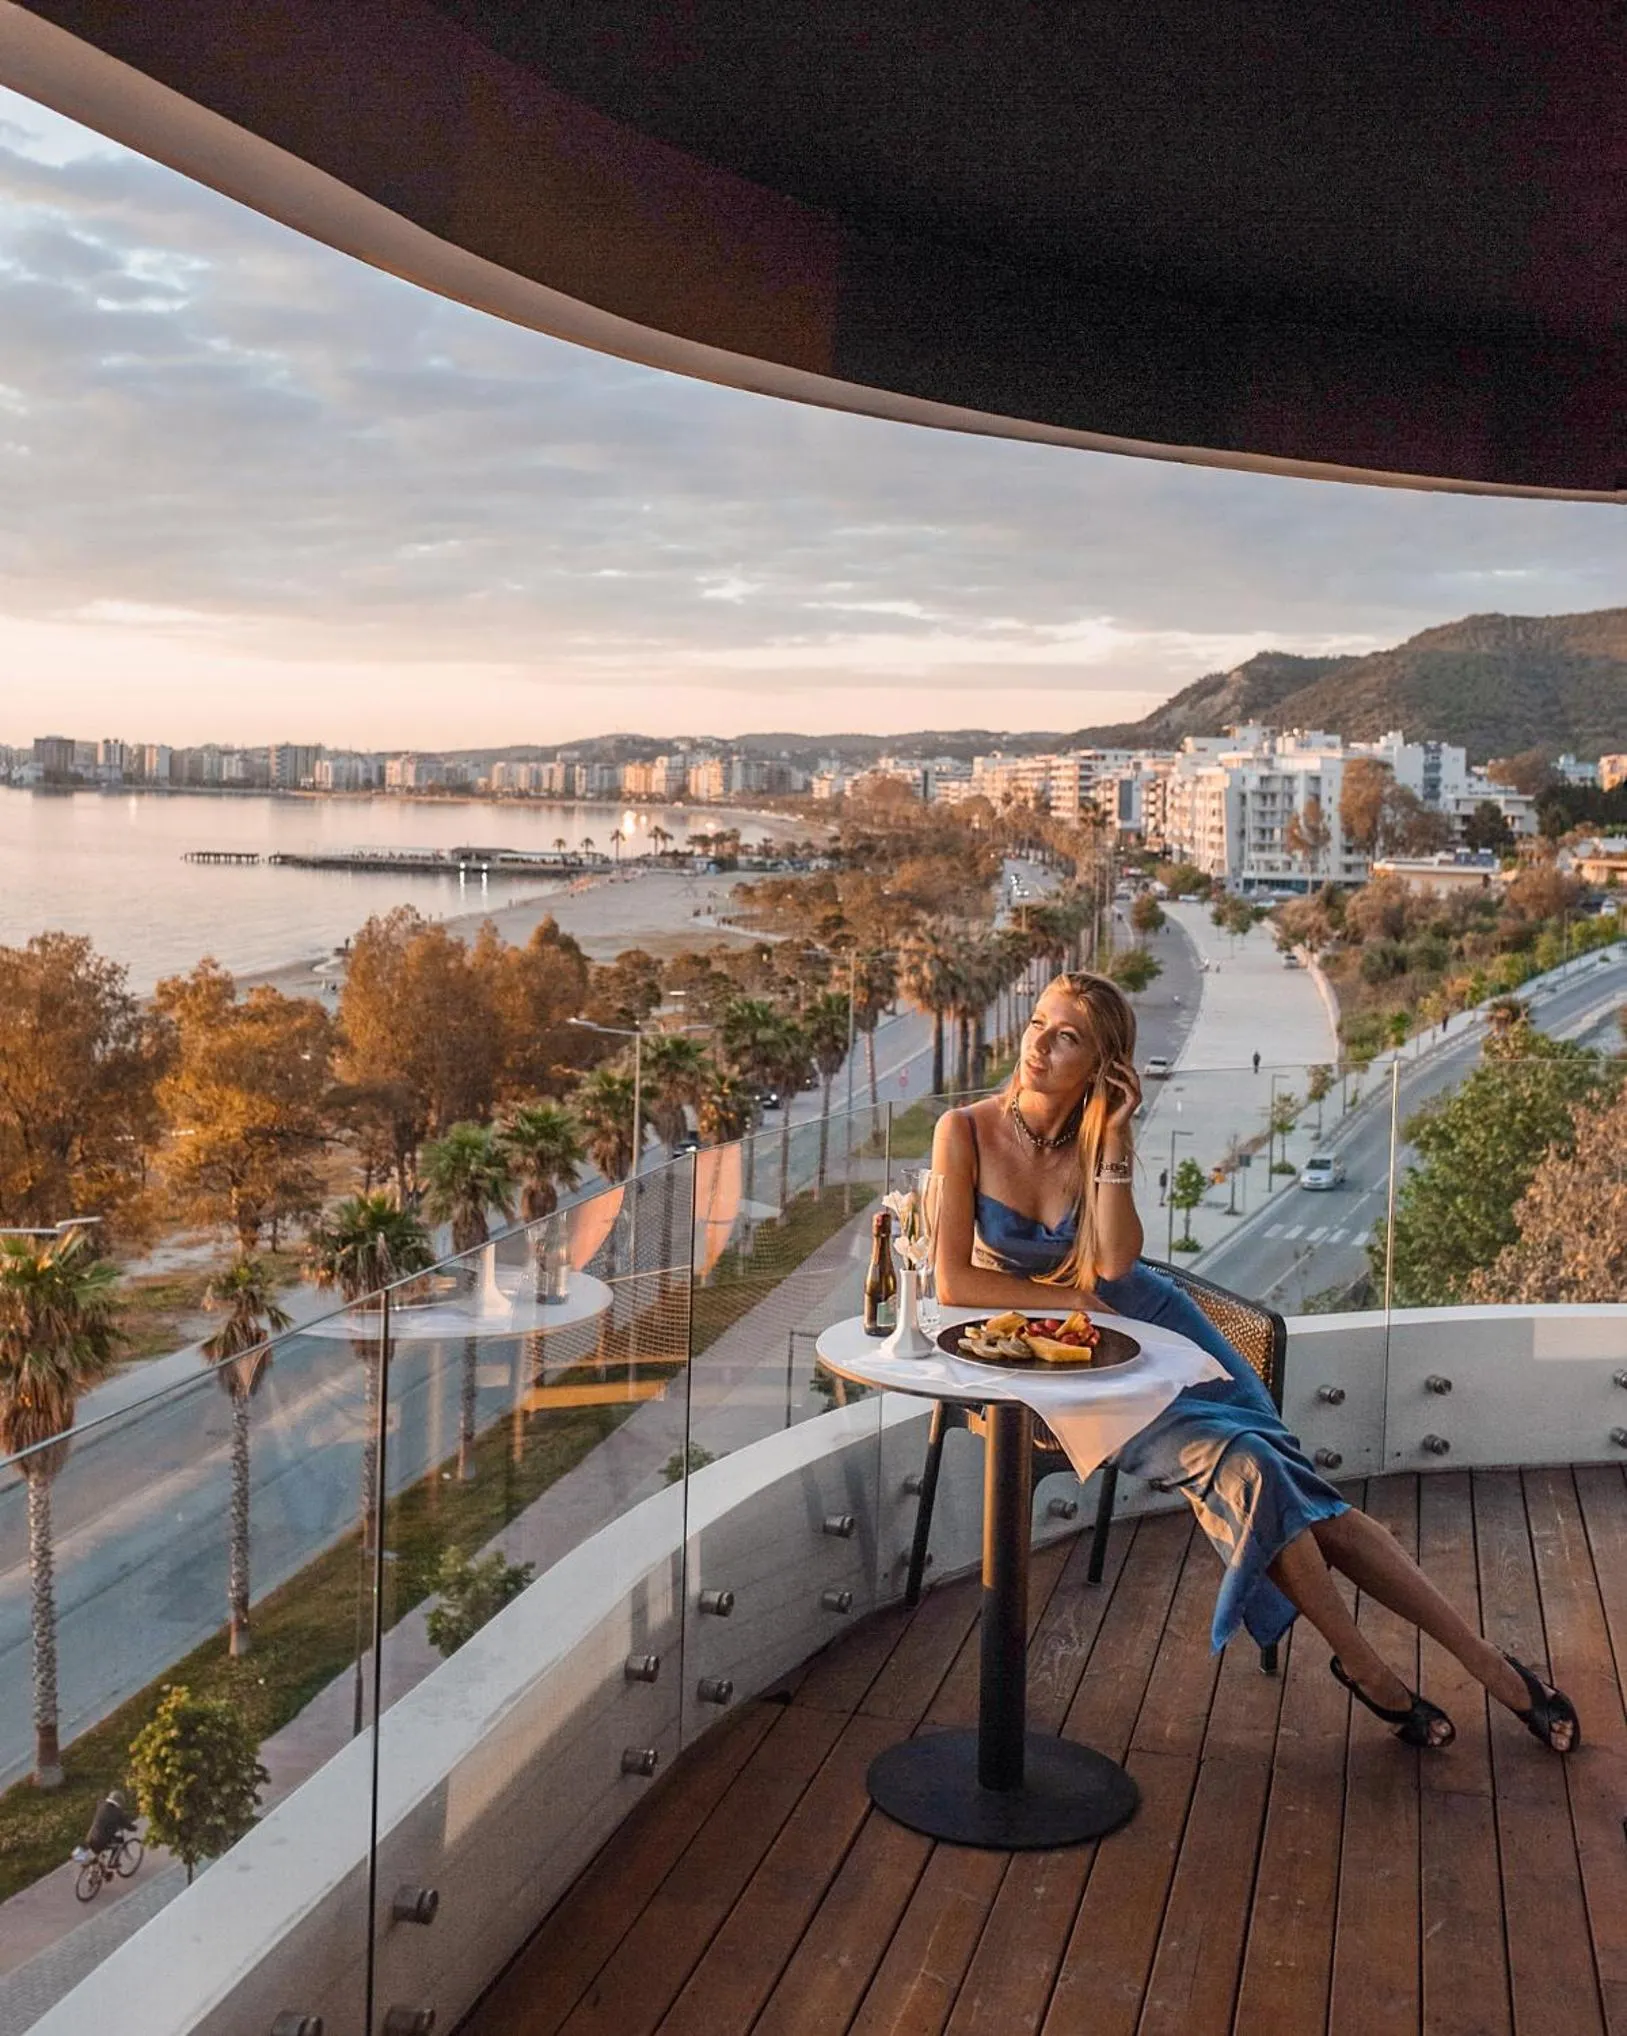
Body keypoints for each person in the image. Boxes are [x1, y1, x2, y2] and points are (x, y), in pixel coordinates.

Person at [929, 970, 1578, 1755]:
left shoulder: (1103, 1134)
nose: (1037, 1044)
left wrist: (1117, 1139)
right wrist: (1066, 1311)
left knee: (1303, 1492)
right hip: (1069, 1365)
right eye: (1037, 1022)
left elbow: (1115, 1267)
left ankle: (1477, 1662)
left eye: (1065, 1036)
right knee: (1257, 1472)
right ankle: (1372, 1666)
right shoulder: (964, 1130)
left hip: (1158, 1326)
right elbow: (955, 1281)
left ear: (1102, 1065)